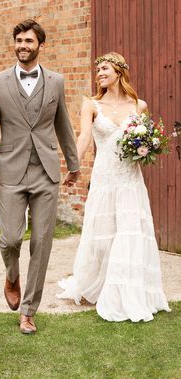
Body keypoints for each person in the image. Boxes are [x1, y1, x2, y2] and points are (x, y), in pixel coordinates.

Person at [0, 19, 80, 334]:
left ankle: (28, 311)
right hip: (10, 171)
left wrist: (73, 165)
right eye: (19, 40)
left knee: (42, 242)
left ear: (40, 45)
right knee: (10, 239)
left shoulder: (57, 81)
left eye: (29, 41)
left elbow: (63, 124)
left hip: (46, 171)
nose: (23, 45)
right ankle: (11, 274)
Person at [58, 52, 170, 322]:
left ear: (119, 72)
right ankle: (94, 286)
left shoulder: (138, 105)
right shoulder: (91, 104)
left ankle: (129, 293)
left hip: (130, 179)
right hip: (105, 178)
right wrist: (73, 166)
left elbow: (145, 138)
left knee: (130, 233)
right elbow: (84, 137)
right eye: (98, 70)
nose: (99, 74)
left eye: (105, 68)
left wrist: (146, 148)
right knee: (104, 233)